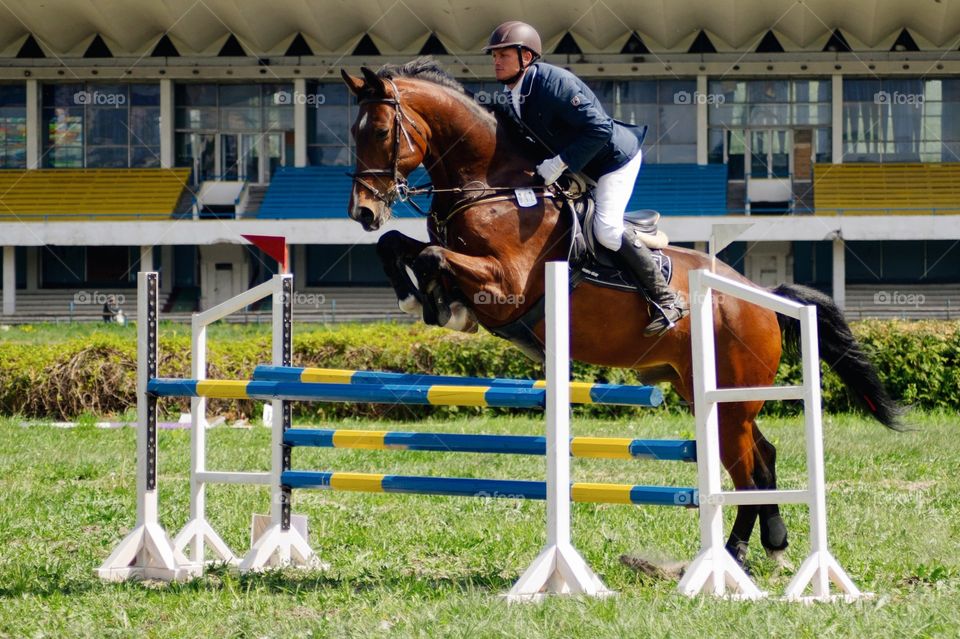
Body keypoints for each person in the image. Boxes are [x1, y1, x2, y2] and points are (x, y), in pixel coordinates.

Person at [483, 21, 688, 336]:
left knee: (606, 230)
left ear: (526, 56)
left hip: (613, 161)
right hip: (579, 167)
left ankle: (668, 298)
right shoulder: (514, 95)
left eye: (503, 55)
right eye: (494, 56)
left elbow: (599, 129)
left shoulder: (553, 83)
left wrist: (561, 163)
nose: (496, 62)